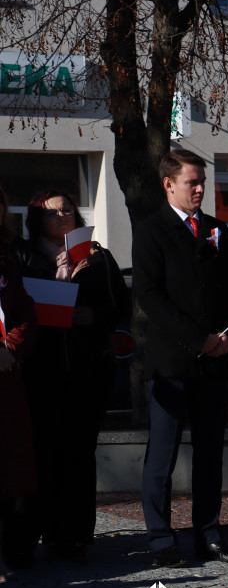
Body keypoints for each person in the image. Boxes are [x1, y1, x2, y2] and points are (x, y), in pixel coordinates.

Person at [133, 149, 228, 567]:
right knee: (162, 456)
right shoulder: (151, 229)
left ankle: (208, 534)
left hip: (214, 361)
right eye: (192, 182)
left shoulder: (216, 230)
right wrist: (200, 338)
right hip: (172, 361)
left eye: (202, 182)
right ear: (168, 184)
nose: (200, 189)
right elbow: (150, 295)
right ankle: (161, 540)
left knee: (210, 454)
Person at [13, 189, 129, 562]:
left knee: (80, 452)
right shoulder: (22, 257)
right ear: (36, 220)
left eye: (66, 210)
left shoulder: (97, 256)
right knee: (44, 452)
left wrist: (95, 315)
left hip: (86, 367)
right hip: (39, 369)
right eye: (51, 213)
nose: (62, 216)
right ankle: (40, 533)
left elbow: (121, 305)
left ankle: (76, 536)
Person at [0, 186, 38, 579]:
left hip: (5, 376)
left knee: (11, 464)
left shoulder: (6, 259)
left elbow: (25, 311)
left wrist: (11, 347)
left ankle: (13, 550)